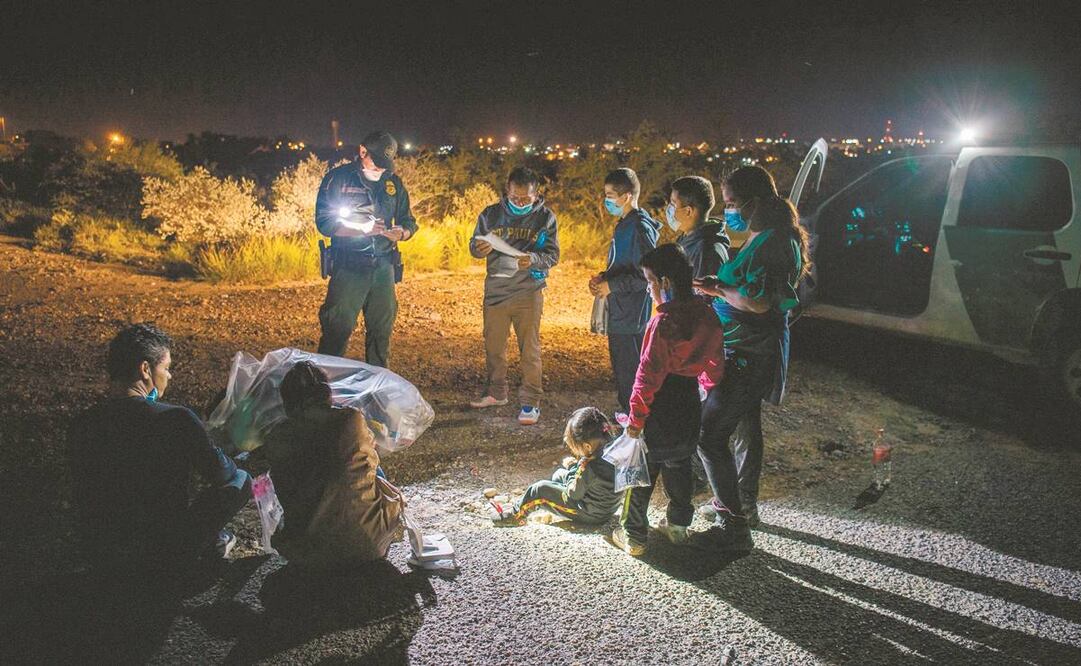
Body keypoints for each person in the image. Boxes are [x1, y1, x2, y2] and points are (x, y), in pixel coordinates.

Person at [693, 166, 811, 549]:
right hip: (742, 348)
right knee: (744, 427)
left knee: (709, 436)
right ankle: (740, 505)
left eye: (731, 203)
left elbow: (759, 301)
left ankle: (734, 527)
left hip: (749, 352)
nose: (728, 211)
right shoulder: (767, 236)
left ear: (754, 202)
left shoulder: (776, 242)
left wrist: (719, 291)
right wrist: (718, 287)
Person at [70, 323, 250, 570]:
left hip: (101, 549)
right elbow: (221, 473)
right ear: (145, 369)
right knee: (241, 479)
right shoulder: (174, 418)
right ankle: (197, 547)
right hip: (163, 548)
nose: (169, 376)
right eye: (166, 368)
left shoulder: (83, 423)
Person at [610, 245, 725, 556]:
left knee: (641, 473)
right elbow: (716, 364)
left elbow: (647, 376)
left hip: (659, 405)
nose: (649, 290)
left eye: (650, 282)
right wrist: (704, 388)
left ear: (664, 282)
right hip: (689, 400)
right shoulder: (708, 315)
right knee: (680, 464)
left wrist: (635, 420)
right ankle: (678, 526)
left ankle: (633, 536)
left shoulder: (663, 322)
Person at [259, 361, 405, 568]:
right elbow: (370, 457)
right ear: (326, 392)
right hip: (367, 545)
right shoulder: (350, 419)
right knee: (369, 469)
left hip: (307, 554)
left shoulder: (276, 437)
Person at [315, 131, 418, 368]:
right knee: (337, 328)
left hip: (384, 267)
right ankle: (323, 383)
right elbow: (325, 223)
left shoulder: (393, 183)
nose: (381, 168)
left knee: (381, 330)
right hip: (349, 266)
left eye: (386, 163)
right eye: (377, 161)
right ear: (362, 152)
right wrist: (362, 229)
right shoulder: (338, 179)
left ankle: (378, 382)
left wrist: (402, 232)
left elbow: (409, 221)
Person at [468, 166, 560, 425]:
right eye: (514, 197)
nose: (519, 203)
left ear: (536, 194)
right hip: (496, 291)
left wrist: (533, 259)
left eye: (525, 199)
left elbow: (553, 255)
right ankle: (497, 392)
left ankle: (530, 402)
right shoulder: (490, 214)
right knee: (494, 346)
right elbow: (474, 245)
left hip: (528, 291)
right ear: (506, 192)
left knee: (529, 350)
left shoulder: (545, 218)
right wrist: (479, 248)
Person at [590, 168, 660, 422]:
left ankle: (636, 421)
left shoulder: (639, 228)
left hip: (630, 313)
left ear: (627, 196)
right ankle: (632, 416)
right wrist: (604, 278)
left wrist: (613, 286)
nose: (606, 200)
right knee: (623, 366)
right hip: (621, 309)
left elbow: (648, 275)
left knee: (629, 368)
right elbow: (626, 265)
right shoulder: (626, 224)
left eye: (610, 196)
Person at [487, 407, 620, 525]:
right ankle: (550, 506)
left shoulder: (589, 465)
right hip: (606, 508)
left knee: (539, 489)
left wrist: (573, 467)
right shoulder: (613, 450)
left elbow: (573, 493)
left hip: (589, 513)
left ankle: (515, 516)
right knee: (558, 475)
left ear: (587, 446)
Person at [669, 175, 730, 283]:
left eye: (673, 204)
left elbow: (699, 293)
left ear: (688, 211)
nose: (669, 209)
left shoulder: (706, 251)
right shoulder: (686, 239)